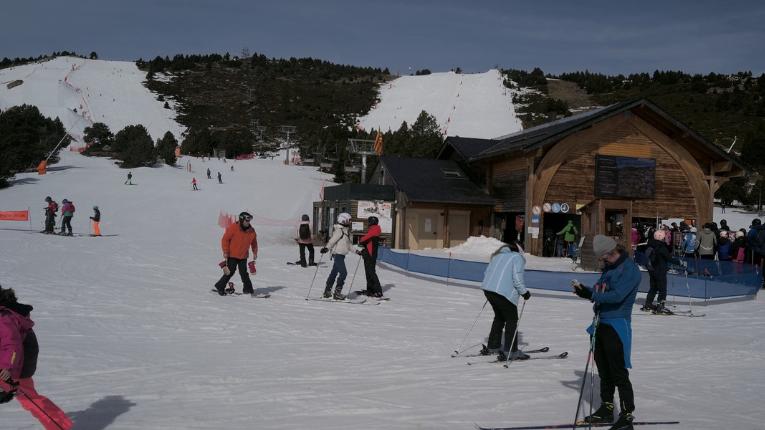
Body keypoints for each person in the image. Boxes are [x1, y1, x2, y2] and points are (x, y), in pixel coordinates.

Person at [571, 235, 640, 429]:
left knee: (618, 371)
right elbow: (601, 289)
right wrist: (585, 290)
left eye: (603, 258)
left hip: (617, 325)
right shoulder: (609, 269)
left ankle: (627, 415)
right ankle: (607, 408)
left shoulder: (630, 269)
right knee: (604, 371)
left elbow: (618, 295)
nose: (602, 261)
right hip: (600, 323)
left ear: (611, 252)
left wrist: (592, 294)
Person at [0, 286, 73, 430]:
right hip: (11, 363)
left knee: (29, 399)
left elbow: (12, 346)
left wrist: (8, 368)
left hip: (15, 366)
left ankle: (60, 426)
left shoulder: (3, 319)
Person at [479, 242, 531, 361]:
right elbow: (517, 278)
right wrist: (524, 292)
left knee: (499, 317)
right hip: (504, 293)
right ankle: (511, 351)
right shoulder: (517, 257)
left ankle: (493, 346)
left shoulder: (497, 256)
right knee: (511, 320)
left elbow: (487, 273)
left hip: (488, 290)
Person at [214, 212, 258, 295]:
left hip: (243, 256)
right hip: (232, 255)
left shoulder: (251, 230)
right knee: (230, 272)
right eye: (246, 220)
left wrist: (255, 252)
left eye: (249, 221)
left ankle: (248, 289)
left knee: (244, 273)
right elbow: (225, 239)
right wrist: (226, 251)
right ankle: (220, 286)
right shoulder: (234, 227)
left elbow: (254, 242)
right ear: (241, 220)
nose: (248, 222)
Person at [641, 230, 682, 314]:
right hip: (660, 270)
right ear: (661, 238)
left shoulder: (650, 245)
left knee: (653, 288)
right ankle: (660, 306)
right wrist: (680, 262)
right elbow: (669, 258)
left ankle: (648, 304)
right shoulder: (661, 247)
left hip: (651, 270)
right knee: (662, 289)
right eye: (664, 237)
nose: (665, 239)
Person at [320, 213, 353, 299]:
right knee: (343, 273)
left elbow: (349, 245)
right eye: (349, 220)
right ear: (343, 220)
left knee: (334, 273)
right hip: (337, 254)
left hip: (342, 255)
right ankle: (337, 293)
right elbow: (332, 241)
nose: (350, 222)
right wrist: (326, 248)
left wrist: (358, 251)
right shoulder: (339, 230)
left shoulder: (346, 231)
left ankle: (327, 291)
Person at [357, 216, 383, 297]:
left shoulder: (374, 229)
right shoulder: (374, 229)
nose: (368, 223)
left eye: (369, 222)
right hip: (369, 253)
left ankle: (378, 290)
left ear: (372, 222)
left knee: (371, 272)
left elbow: (363, 240)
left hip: (370, 254)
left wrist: (362, 240)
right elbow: (366, 241)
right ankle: (370, 289)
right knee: (368, 272)